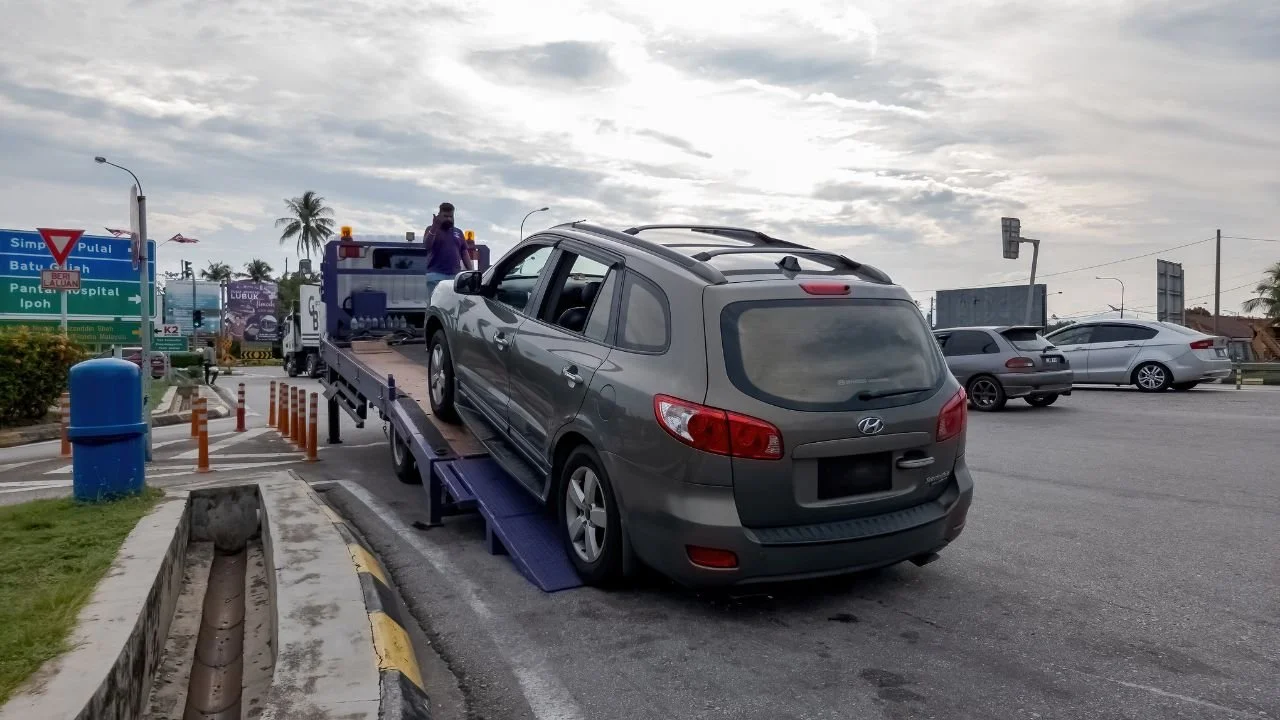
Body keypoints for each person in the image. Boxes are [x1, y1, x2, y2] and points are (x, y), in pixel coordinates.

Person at [423, 202, 473, 302]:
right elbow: (427, 246)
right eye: (445, 216)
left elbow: (464, 252)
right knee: (436, 304)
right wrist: (435, 226)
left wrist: (471, 271)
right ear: (439, 215)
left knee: (453, 305)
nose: (449, 219)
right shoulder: (431, 229)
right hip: (436, 276)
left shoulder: (458, 232)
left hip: (454, 277)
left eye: (451, 216)